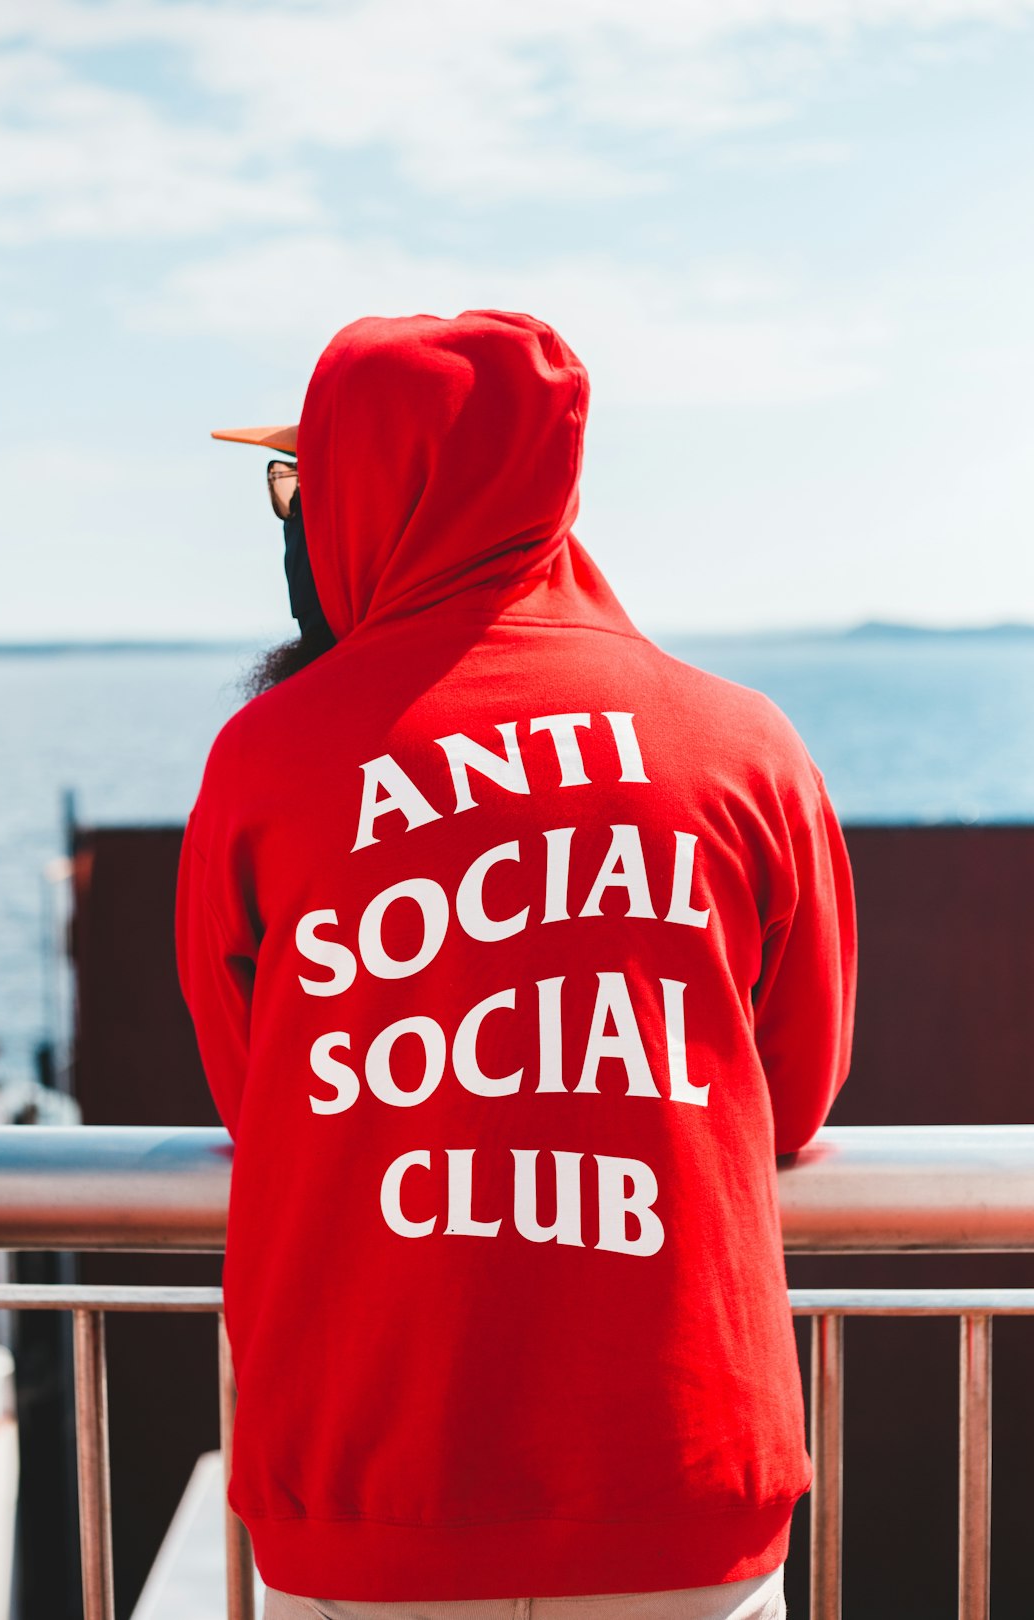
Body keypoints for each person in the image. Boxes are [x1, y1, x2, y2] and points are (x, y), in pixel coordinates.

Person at [175, 309, 857, 1620]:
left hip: (375, 1486)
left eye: (294, 487)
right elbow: (798, 1095)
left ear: (368, 494)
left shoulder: (267, 764)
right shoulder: (743, 745)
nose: (288, 525)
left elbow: (249, 1092)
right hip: (679, 1479)